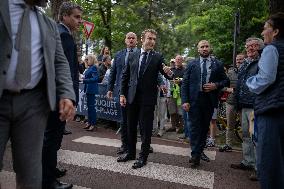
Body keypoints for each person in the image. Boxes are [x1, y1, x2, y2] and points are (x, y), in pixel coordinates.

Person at [0, 0, 75, 188]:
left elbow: (60, 62)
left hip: (33, 105)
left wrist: (67, 93)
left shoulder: (48, 24)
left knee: (31, 175)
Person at [118, 29, 172, 169]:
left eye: (154, 39)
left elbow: (166, 74)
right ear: (142, 39)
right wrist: (122, 94)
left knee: (145, 128)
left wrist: (169, 72)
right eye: (149, 38)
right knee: (130, 126)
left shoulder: (157, 57)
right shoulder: (133, 55)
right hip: (131, 96)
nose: (152, 41)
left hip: (147, 99)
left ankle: (143, 157)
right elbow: (125, 76)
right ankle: (130, 153)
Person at [42, 2, 82, 189]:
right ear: (64, 16)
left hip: (54, 94)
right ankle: (48, 180)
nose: (80, 21)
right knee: (53, 137)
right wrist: (68, 96)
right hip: (59, 96)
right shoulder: (64, 35)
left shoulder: (58, 32)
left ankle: (50, 169)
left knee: (51, 136)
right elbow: (65, 69)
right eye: (76, 17)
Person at [246, 12, 284, 189]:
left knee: (269, 164)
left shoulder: (272, 49)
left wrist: (249, 81)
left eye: (265, 28)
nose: (263, 33)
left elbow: (265, 79)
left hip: (271, 112)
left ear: (275, 31)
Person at [181, 40, 229, 168]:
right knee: (193, 128)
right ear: (198, 49)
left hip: (209, 100)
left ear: (210, 48)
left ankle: (199, 151)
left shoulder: (217, 64)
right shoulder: (192, 64)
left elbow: (226, 81)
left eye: (206, 46)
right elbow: (185, 83)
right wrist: (185, 100)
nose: (204, 48)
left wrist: (215, 85)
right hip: (193, 101)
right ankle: (195, 155)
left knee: (203, 128)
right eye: (202, 47)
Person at [231, 37, 264, 181]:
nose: (250, 49)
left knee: (255, 137)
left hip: (255, 106)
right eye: (248, 46)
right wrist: (237, 103)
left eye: (254, 46)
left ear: (259, 48)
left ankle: (258, 168)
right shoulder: (244, 63)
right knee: (245, 135)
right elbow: (239, 84)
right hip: (243, 105)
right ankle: (248, 161)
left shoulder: (262, 62)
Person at [107, 32, 138, 155]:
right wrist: (110, 89)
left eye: (133, 38)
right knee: (124, 120)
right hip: (122, 93)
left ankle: (136, 145)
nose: (131, 40)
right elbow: (113, 73)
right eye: (128, 38)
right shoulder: (119, 55)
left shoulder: (141, 53)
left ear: (137, 41)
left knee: (136, 120)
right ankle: (125, 145)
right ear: (125, 40)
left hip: (136, 92)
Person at [219, 53, 245, 152]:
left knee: (245, 127)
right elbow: (222, 86)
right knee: (230, 125)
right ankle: (228, 144)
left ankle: (247, 147)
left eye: (241, 59)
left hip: (244, 103)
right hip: (231, 101)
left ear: (245, 59)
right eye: (237, 60)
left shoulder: (248, 71)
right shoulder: (230, 72)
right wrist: (229, 89)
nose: (239, 61)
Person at [83, 54, 99, 132]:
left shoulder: (94, 67)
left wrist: (84, 80)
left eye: (87, 59)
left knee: (91, 107)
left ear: (91, 60)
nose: (86, 61)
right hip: (88, 89)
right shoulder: (90, 67)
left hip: (91, 89)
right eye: (85, 59)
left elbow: (95, 78)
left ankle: (93, 124)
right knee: (89, 107)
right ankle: (89, 123)